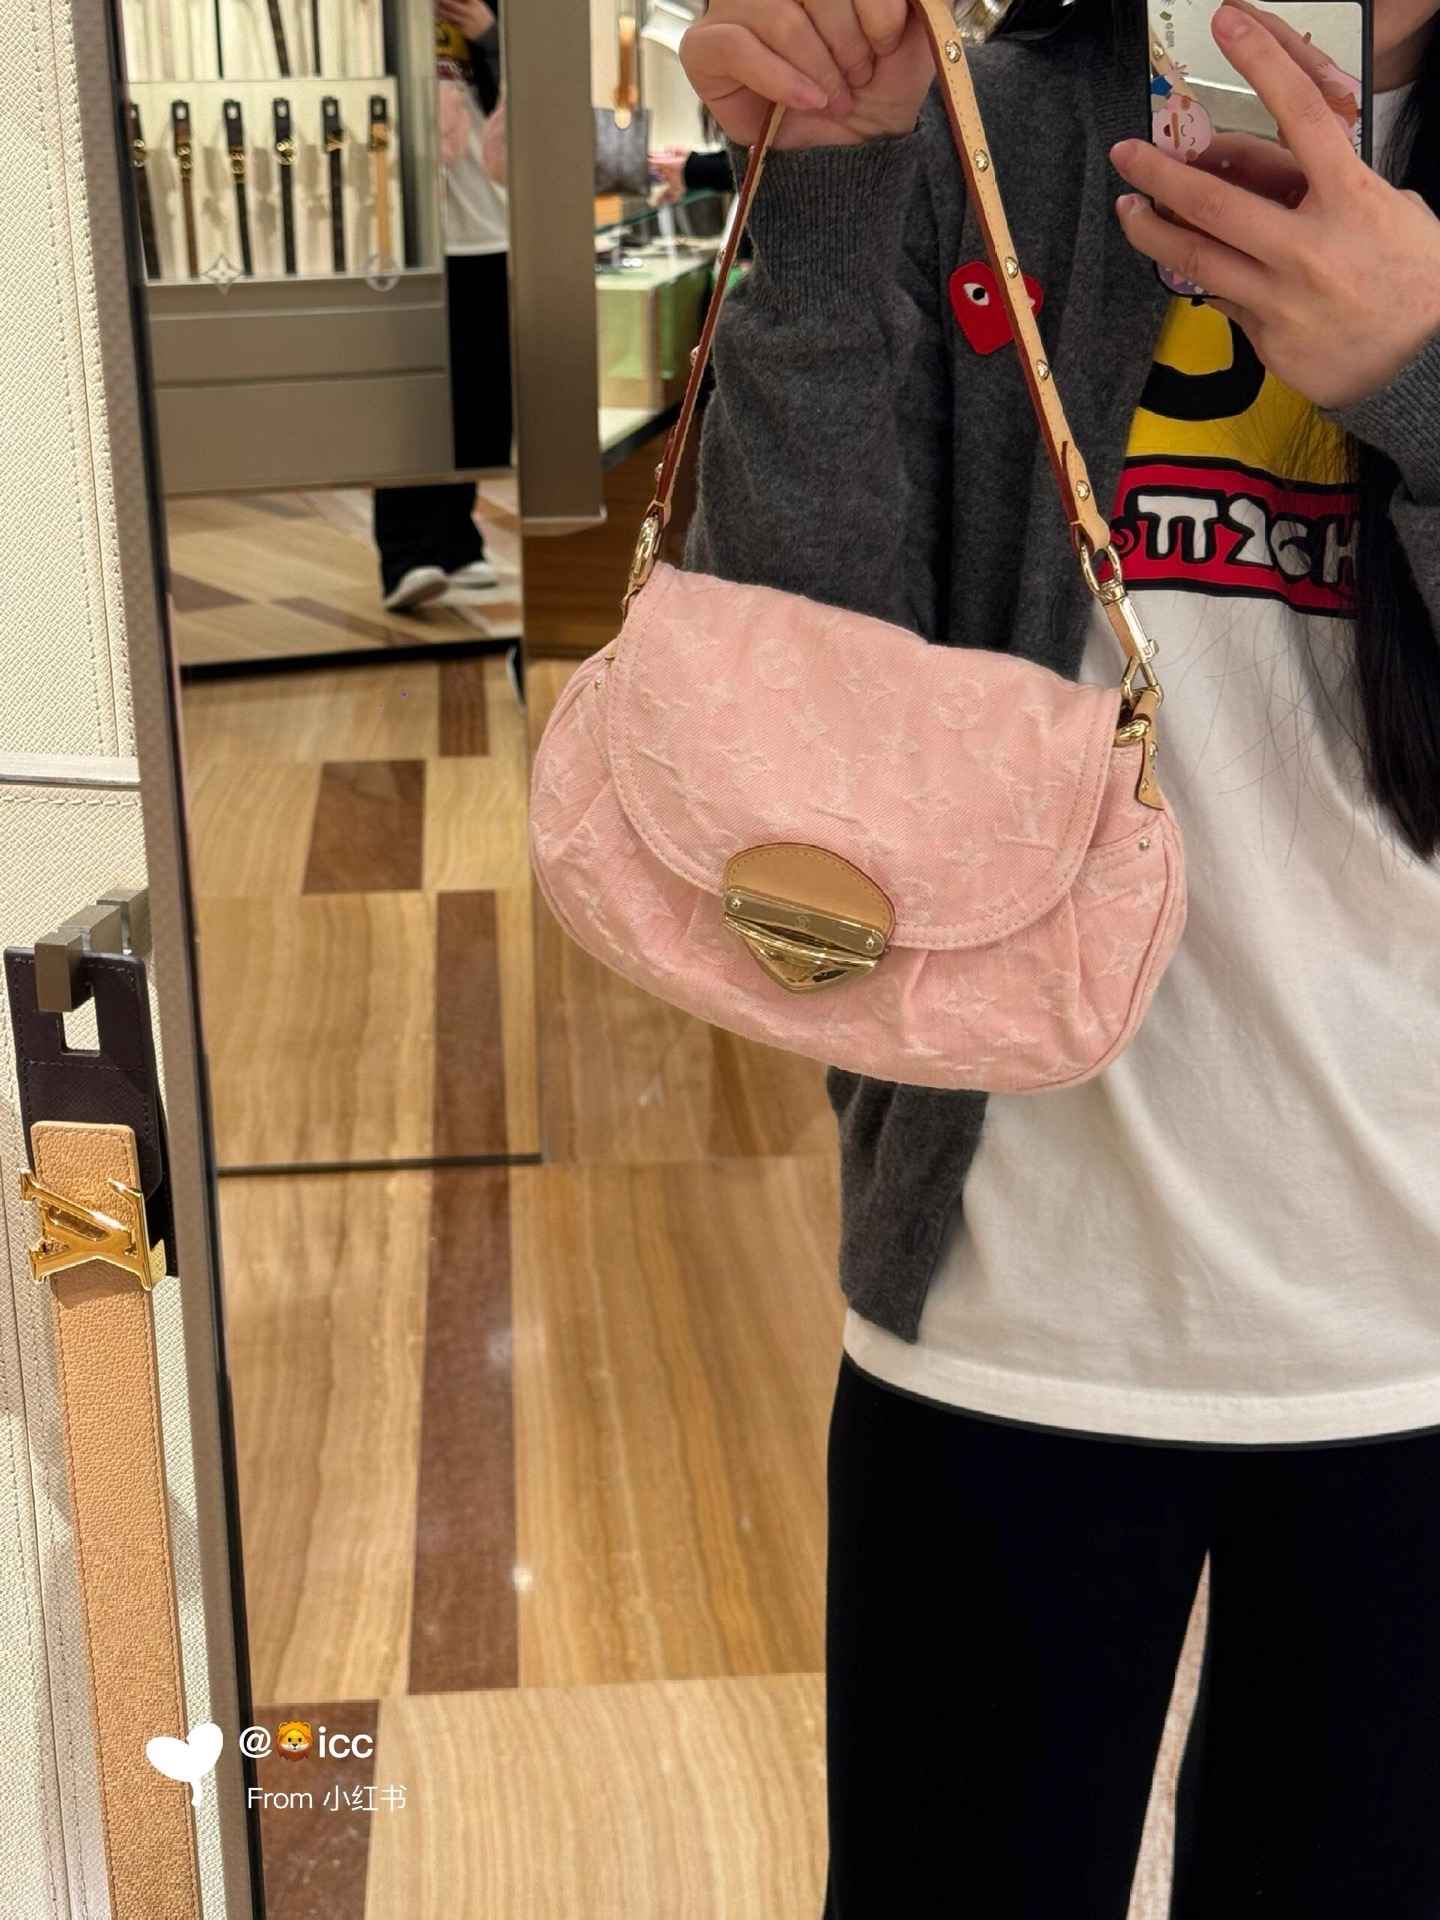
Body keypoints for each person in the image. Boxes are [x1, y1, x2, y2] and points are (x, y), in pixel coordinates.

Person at [678, 0, 1440, 1910]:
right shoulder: (983, 119)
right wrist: (826, 182)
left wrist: (1423, 377)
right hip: (1014, 1279)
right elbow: (801, 725)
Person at [372, 0, 511, 612]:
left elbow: (537, 95)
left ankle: (457, 538)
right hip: (405, 233)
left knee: (482, 399)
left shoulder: (488, 10)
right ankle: (405, 554)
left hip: (489, 222)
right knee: (410, 398)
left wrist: (489, 34)